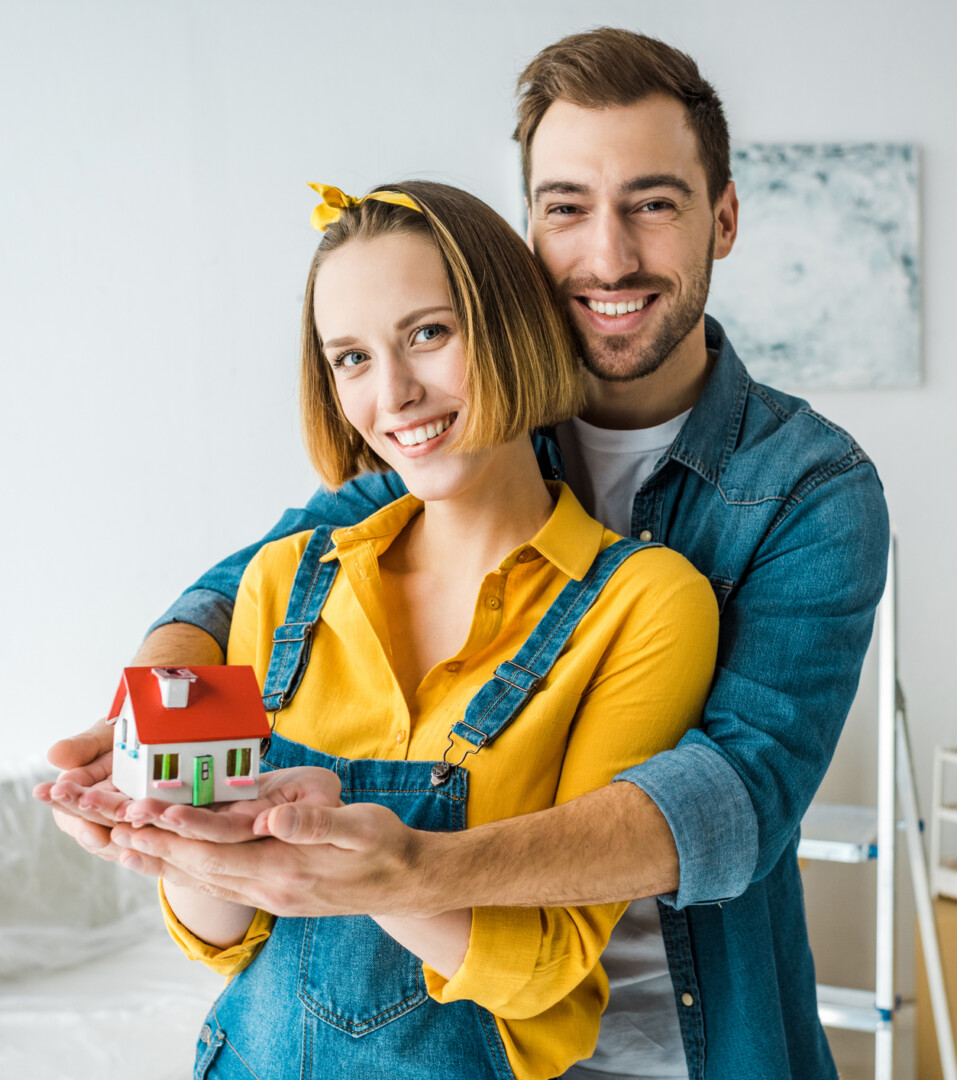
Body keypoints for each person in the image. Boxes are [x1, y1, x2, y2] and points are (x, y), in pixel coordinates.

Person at [40, 27, 890, 1080]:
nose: (610, 256)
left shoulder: (811, 490)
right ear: (526, 228)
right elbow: (242, 590)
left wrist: (408, 869)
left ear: (722, 216)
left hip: (687, 1035)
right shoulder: (448, 442)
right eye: (568, 205)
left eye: (654, 203)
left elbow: (731, 797)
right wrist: (153, 739)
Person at [84, 179, 718, 1079]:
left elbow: (550, 967)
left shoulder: (643, 605)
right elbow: (224, 943)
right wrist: (171, 834)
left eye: (429, 334)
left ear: (509, 326)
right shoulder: (282, 581)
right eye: (350, 358)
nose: (395, 395)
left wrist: (380, 873)